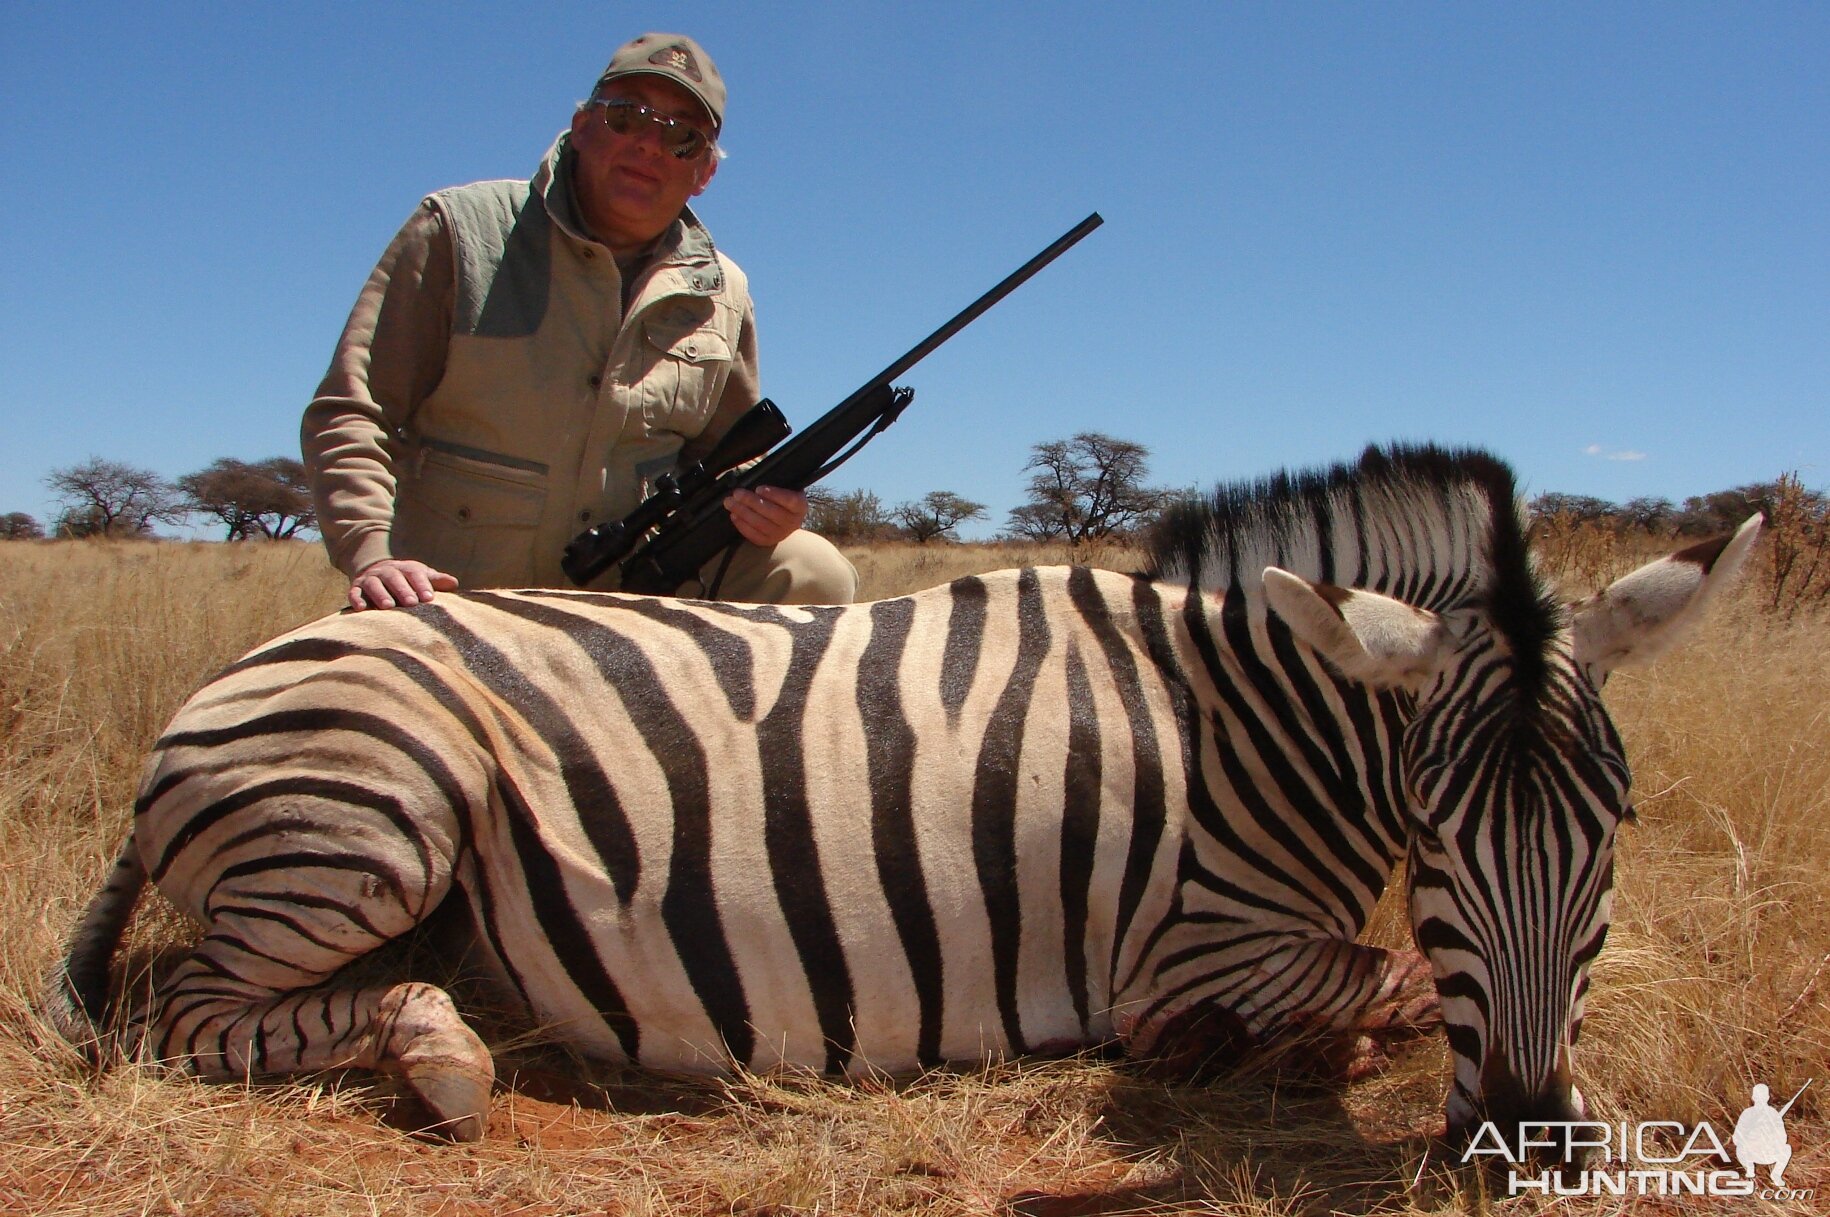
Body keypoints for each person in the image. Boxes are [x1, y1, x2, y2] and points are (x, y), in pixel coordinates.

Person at [302, 33, 858, 611]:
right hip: (452, 593)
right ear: (582, 125)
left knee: (813, 572)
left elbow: (730, 457)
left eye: (682, 136)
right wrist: (372, 554)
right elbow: (352, 407)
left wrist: (768, 505)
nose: (650, 145)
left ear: (704, 173)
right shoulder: (459, 230)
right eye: (627, 116)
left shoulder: (723, 290)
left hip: (632, 596)